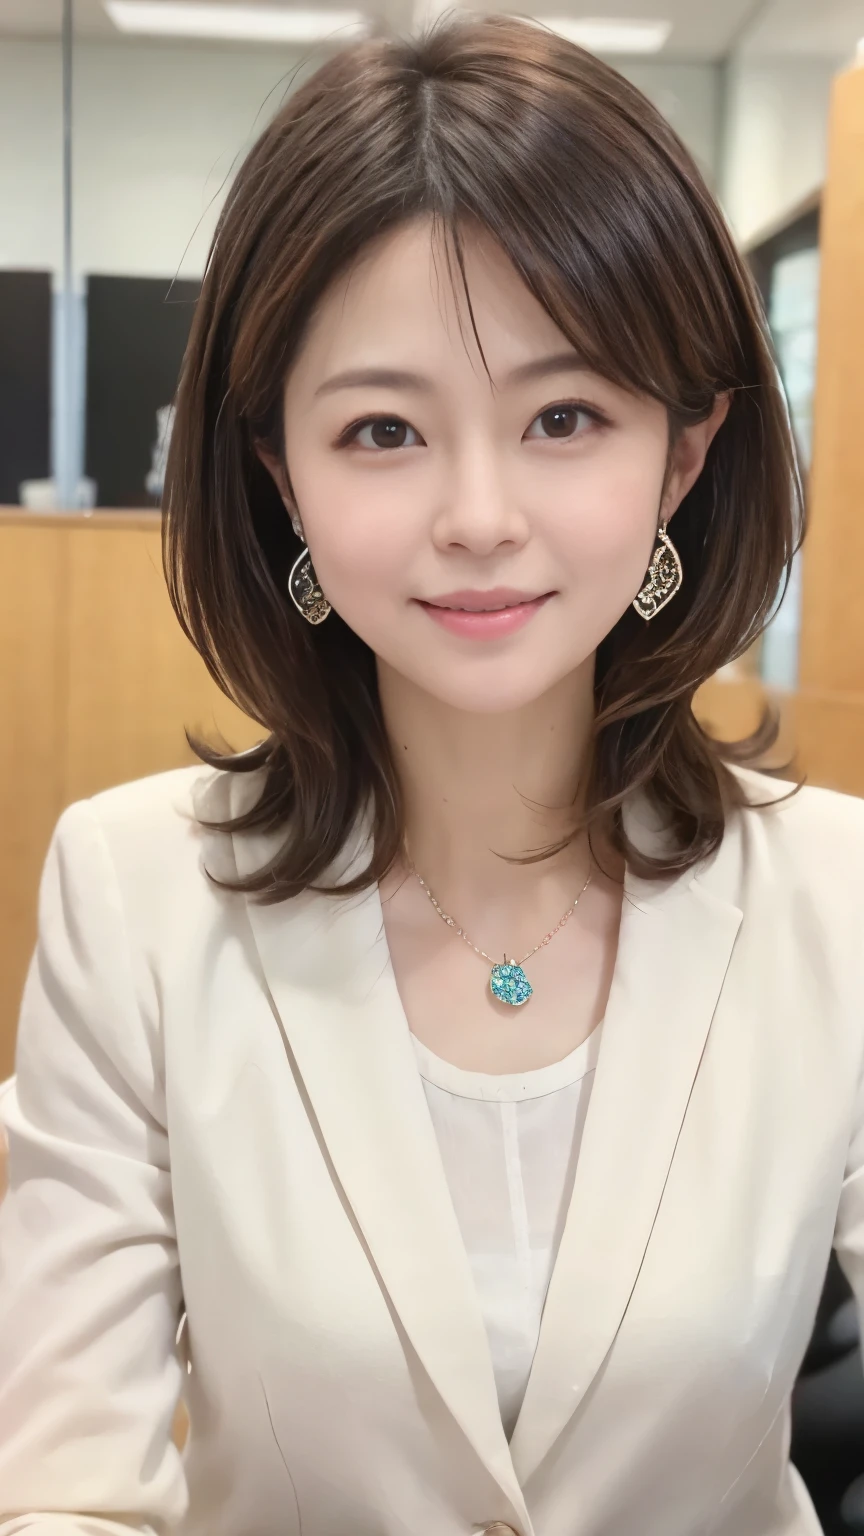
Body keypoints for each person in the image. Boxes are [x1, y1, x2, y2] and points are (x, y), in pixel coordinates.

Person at [1, 15, 862, 1536]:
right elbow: (66, 1490)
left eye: (565, 417)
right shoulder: (129, 896)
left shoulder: (841, 902)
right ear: (278, 468)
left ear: (684, 455)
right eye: (385, 428)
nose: (478, 513)